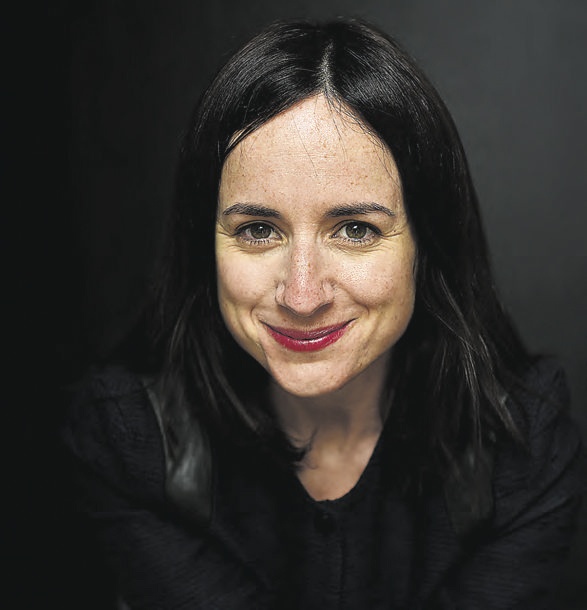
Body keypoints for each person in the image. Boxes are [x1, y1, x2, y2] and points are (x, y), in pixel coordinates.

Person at [62, 18, 585, 609]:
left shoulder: (524, 441)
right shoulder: (129, 438)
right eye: (258, 230)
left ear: (429, 246)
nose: (302, 295)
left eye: (356, 229)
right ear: (203, 244)